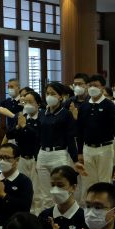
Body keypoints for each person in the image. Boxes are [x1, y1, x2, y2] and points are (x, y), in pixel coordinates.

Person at [77, 74, 115, 187]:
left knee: (104, 181)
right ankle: (91, 204)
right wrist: (79, 152)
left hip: (105, 149)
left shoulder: (109, 105)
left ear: (102, 88)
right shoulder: (84, 107)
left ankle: (105, 204)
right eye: (91, 85)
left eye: (96, 85)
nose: (93, 88)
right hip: (87, 148)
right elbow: (80, 130)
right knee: (88, 181)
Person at [36, 82, 79, 214]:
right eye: (47, 93)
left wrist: (76, 159)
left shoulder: (65, 114)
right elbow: (38, 136)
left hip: (59, 154)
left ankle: (64, 216)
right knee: (45, 193)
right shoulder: (42, 113)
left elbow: (70, 138)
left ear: (61, 97)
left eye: (53, 94)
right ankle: (47, 220)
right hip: (43, 154)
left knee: (60, 191)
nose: (49, 96)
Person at [37, 165, 84, 229]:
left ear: (73, 187)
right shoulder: (44, 215)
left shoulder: (84, 217)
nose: (55, 190)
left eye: (60, 185)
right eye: (53, 185)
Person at [4, 90, 42, 210]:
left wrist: (25, 126)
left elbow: (38, 136)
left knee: (38, 191)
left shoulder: (43, 118)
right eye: (25, 102)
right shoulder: (21, 117)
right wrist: (18, 126)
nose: (28, 105)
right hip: (22, 159)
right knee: (24, 189)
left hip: (36, 158)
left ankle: (38, 216)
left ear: (38, 104)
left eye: (31, 102)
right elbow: (9, 134)